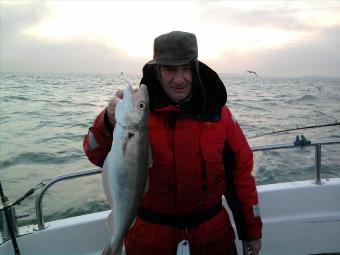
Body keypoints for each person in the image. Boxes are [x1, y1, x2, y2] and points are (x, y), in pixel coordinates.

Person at [83, 31, 262, 255]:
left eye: (186, 68)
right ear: (157, 70)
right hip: (148, 240)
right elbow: (94, 153)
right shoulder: (137, 112)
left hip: (214, 238)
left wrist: (251, 231)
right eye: (169, 69)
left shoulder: (220, 116)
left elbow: (241, 177)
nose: (179, 79)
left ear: (195, 69)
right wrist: (108, 122)